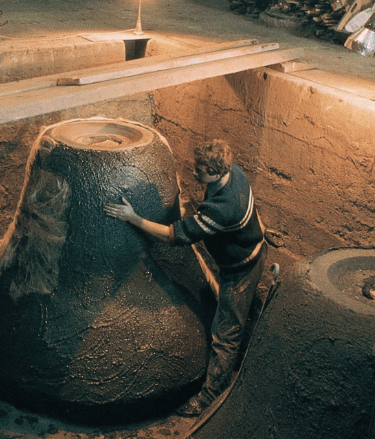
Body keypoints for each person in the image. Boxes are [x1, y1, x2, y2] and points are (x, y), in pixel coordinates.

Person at [104, 139, 267, 417]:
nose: (195, 174)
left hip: (241, 268)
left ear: (217, 172)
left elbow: (173, 236)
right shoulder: (235, 172)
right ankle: (242, 345)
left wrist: (134, 219)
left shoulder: (224, 208)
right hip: (252, 246)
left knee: (225, 332)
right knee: (235, 318)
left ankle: (212, 394)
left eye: (201, 171)